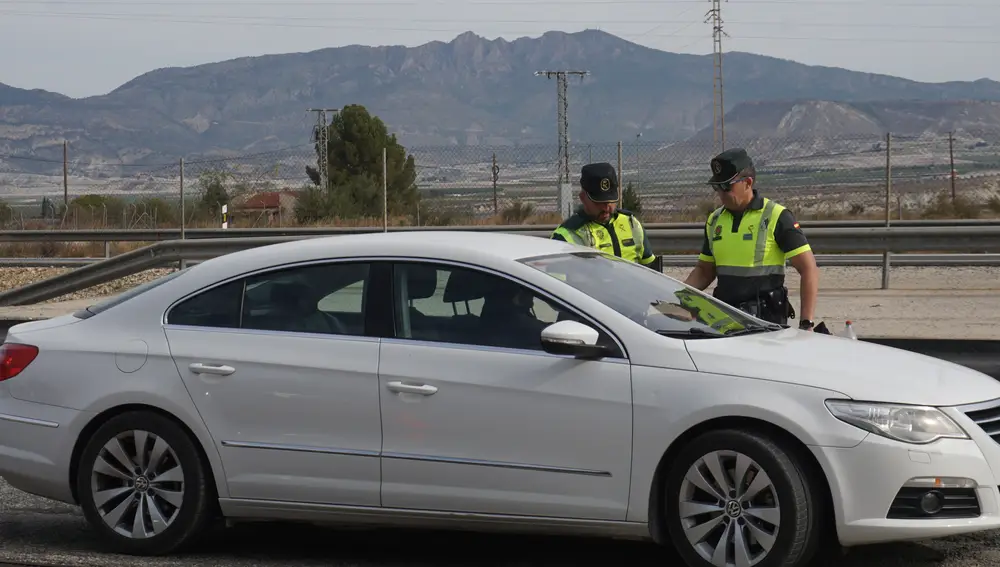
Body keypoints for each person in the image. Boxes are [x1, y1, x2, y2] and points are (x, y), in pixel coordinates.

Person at [682, 148, 819, 330]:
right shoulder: (715, 220)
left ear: (747, 183)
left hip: (765, 324)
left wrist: (806, 323)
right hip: (724, 321)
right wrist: (678, 296)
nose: (720, 194)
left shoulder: (777, 216)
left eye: (726, 187)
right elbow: (705, 271)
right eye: (717, 187)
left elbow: (808, 268)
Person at [550, 162, 662, 272]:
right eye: (599, 202)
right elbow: (555, 283)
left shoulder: (631, 224)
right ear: (583, 197)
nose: (606, 208)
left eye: (610, 201)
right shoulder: (565, 236)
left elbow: (652, 272)